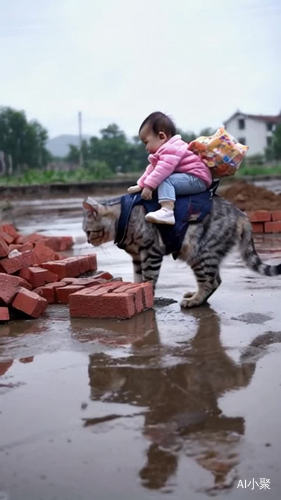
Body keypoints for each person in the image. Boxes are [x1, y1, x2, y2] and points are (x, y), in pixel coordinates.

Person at [128, 112, 212, 225]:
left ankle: (167, 211)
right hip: (190, 177)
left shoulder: (172, 148)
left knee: (165, 179)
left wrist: (149, 186)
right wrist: (142, 184)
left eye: (146, 142)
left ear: (162, 136)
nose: (146, 148)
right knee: (161, 178)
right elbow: (152, 169)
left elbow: (162, 170)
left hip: (197, 178)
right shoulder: (164, 150)